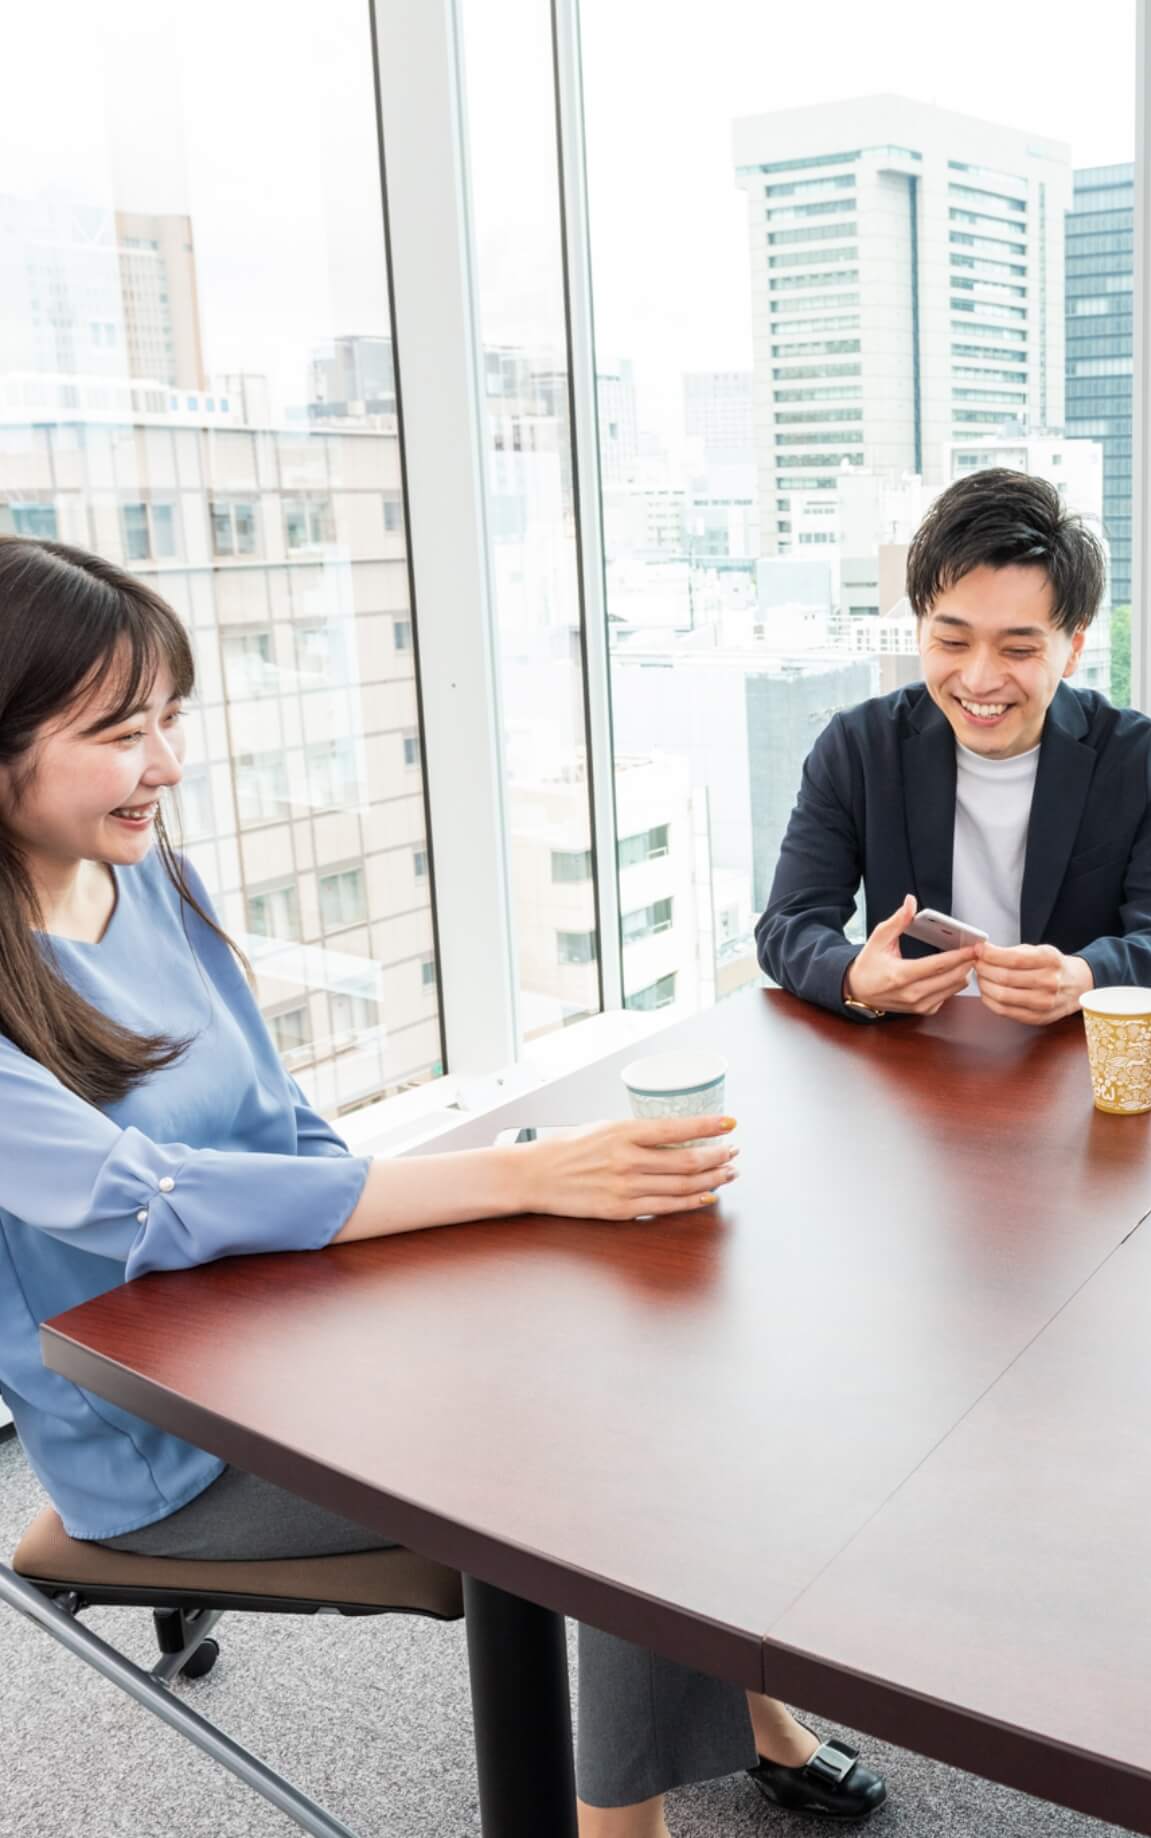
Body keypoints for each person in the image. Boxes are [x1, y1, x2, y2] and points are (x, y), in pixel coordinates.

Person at [0, 538, 885, 1838]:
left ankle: (743, 1710)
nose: (169, 767)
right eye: (124, 732)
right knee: (615, 1464)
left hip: (285, 1323)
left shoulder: (153, 879)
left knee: (662, 1350)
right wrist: (520, 1178)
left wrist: (502, 1222)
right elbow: (158, 1202)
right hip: (166, 1435)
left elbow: (287, 1133)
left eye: (170, 721)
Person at [756, 469, 1151, 1023]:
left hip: (1074, 1067)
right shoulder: (859, 748)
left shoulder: (1139, 759)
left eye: (1018, 650)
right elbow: (787, 922)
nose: (978, 680)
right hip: (914, 1066)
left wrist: (1088, 978)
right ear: (920, 628)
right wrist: (854, 976)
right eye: (952, 641)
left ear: (1073, 650)